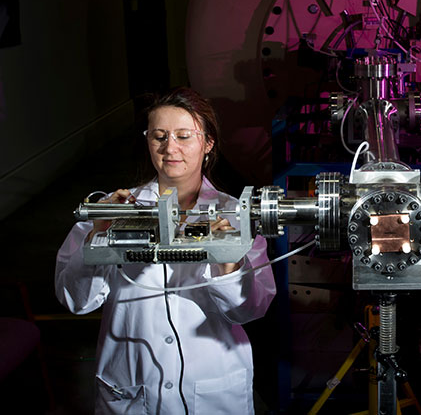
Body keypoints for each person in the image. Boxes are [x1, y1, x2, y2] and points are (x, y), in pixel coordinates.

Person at [55, 87, 276, 414]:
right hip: (132, 383)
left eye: (184, 136)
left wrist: (228, 262)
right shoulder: (115, 210)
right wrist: (99, 238)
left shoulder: (233, 214)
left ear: (208, 143)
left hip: (212, 385)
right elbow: (76, 300)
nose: (170, 147)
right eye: (159, 136)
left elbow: (250, 310)